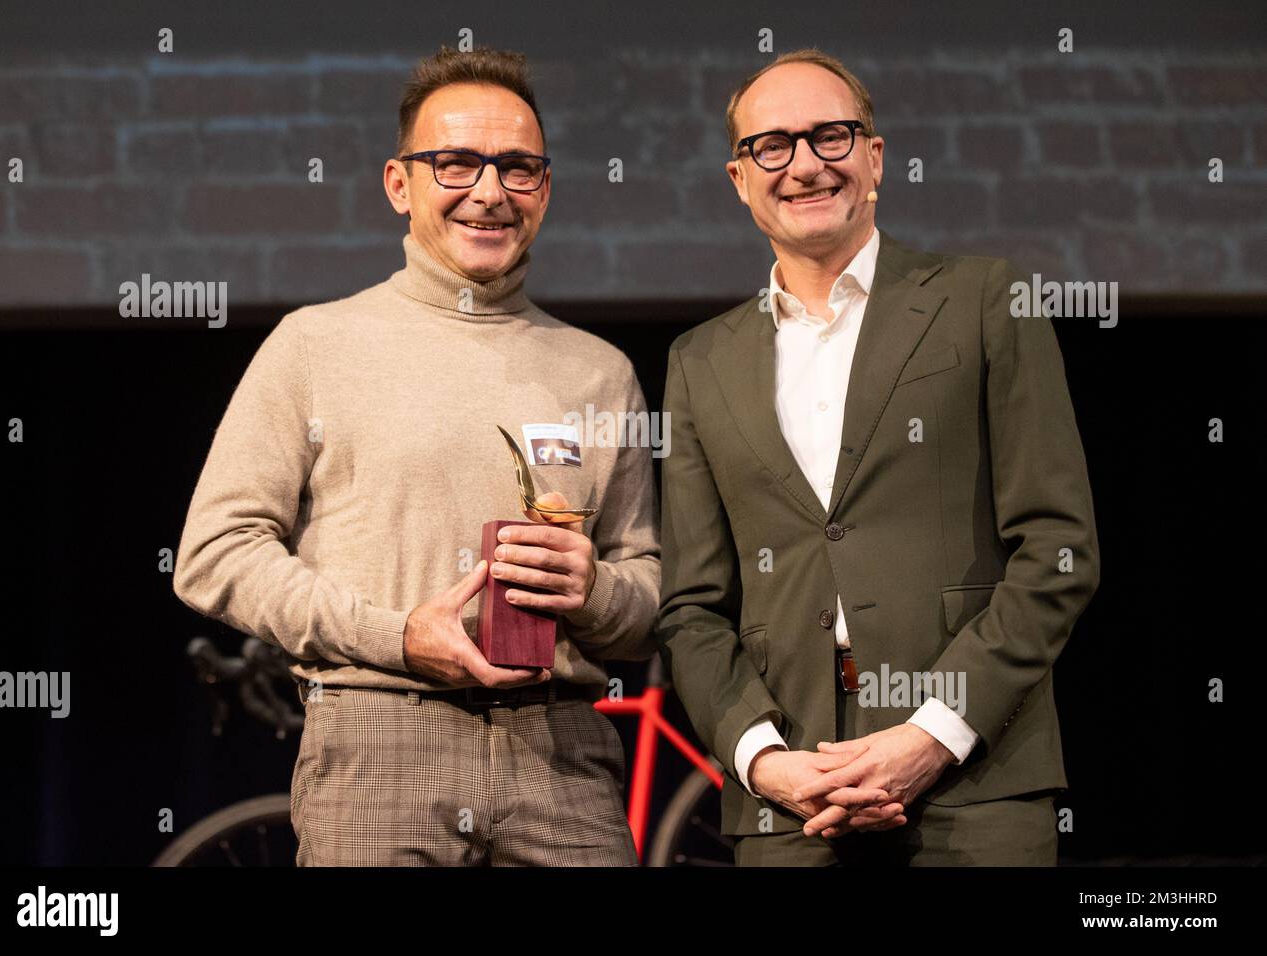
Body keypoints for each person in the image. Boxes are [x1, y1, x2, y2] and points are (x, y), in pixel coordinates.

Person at [173, 46, 659, 866]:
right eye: (458, 163)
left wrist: (595, 588)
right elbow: (214, 555)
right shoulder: (315, 345)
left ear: (545, 189)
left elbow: (647, 597)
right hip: (377, 746)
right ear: (400, 184)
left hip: (564, 756)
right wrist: (397, 637)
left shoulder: (599, 371)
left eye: (518, 168)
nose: (490, 191)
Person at [656, 49, 1100, 866]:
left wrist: (932, 734)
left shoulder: (985, 300)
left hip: (975, 787)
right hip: (790, 806)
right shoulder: (698, 360)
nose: (806, 166)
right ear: (739, 178)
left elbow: (1057, 551)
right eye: (773, 146)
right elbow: (691, 605)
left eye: (831, 136)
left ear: (875, 157)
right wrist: (763, 761)